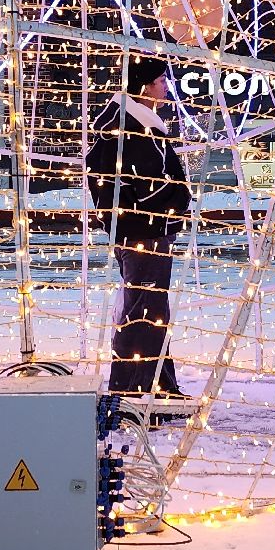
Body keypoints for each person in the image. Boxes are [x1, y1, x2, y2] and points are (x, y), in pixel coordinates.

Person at [85, 56, 193, 398]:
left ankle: (157, 384)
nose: (166, 87)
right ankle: (135, 390)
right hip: (145, 231)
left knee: (148, 308)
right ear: (145, 86)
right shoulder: (133, 128)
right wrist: (180, 194)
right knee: (143, 310)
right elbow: (152, 187)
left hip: (140, 230)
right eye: (161, 80)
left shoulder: (133, 123)